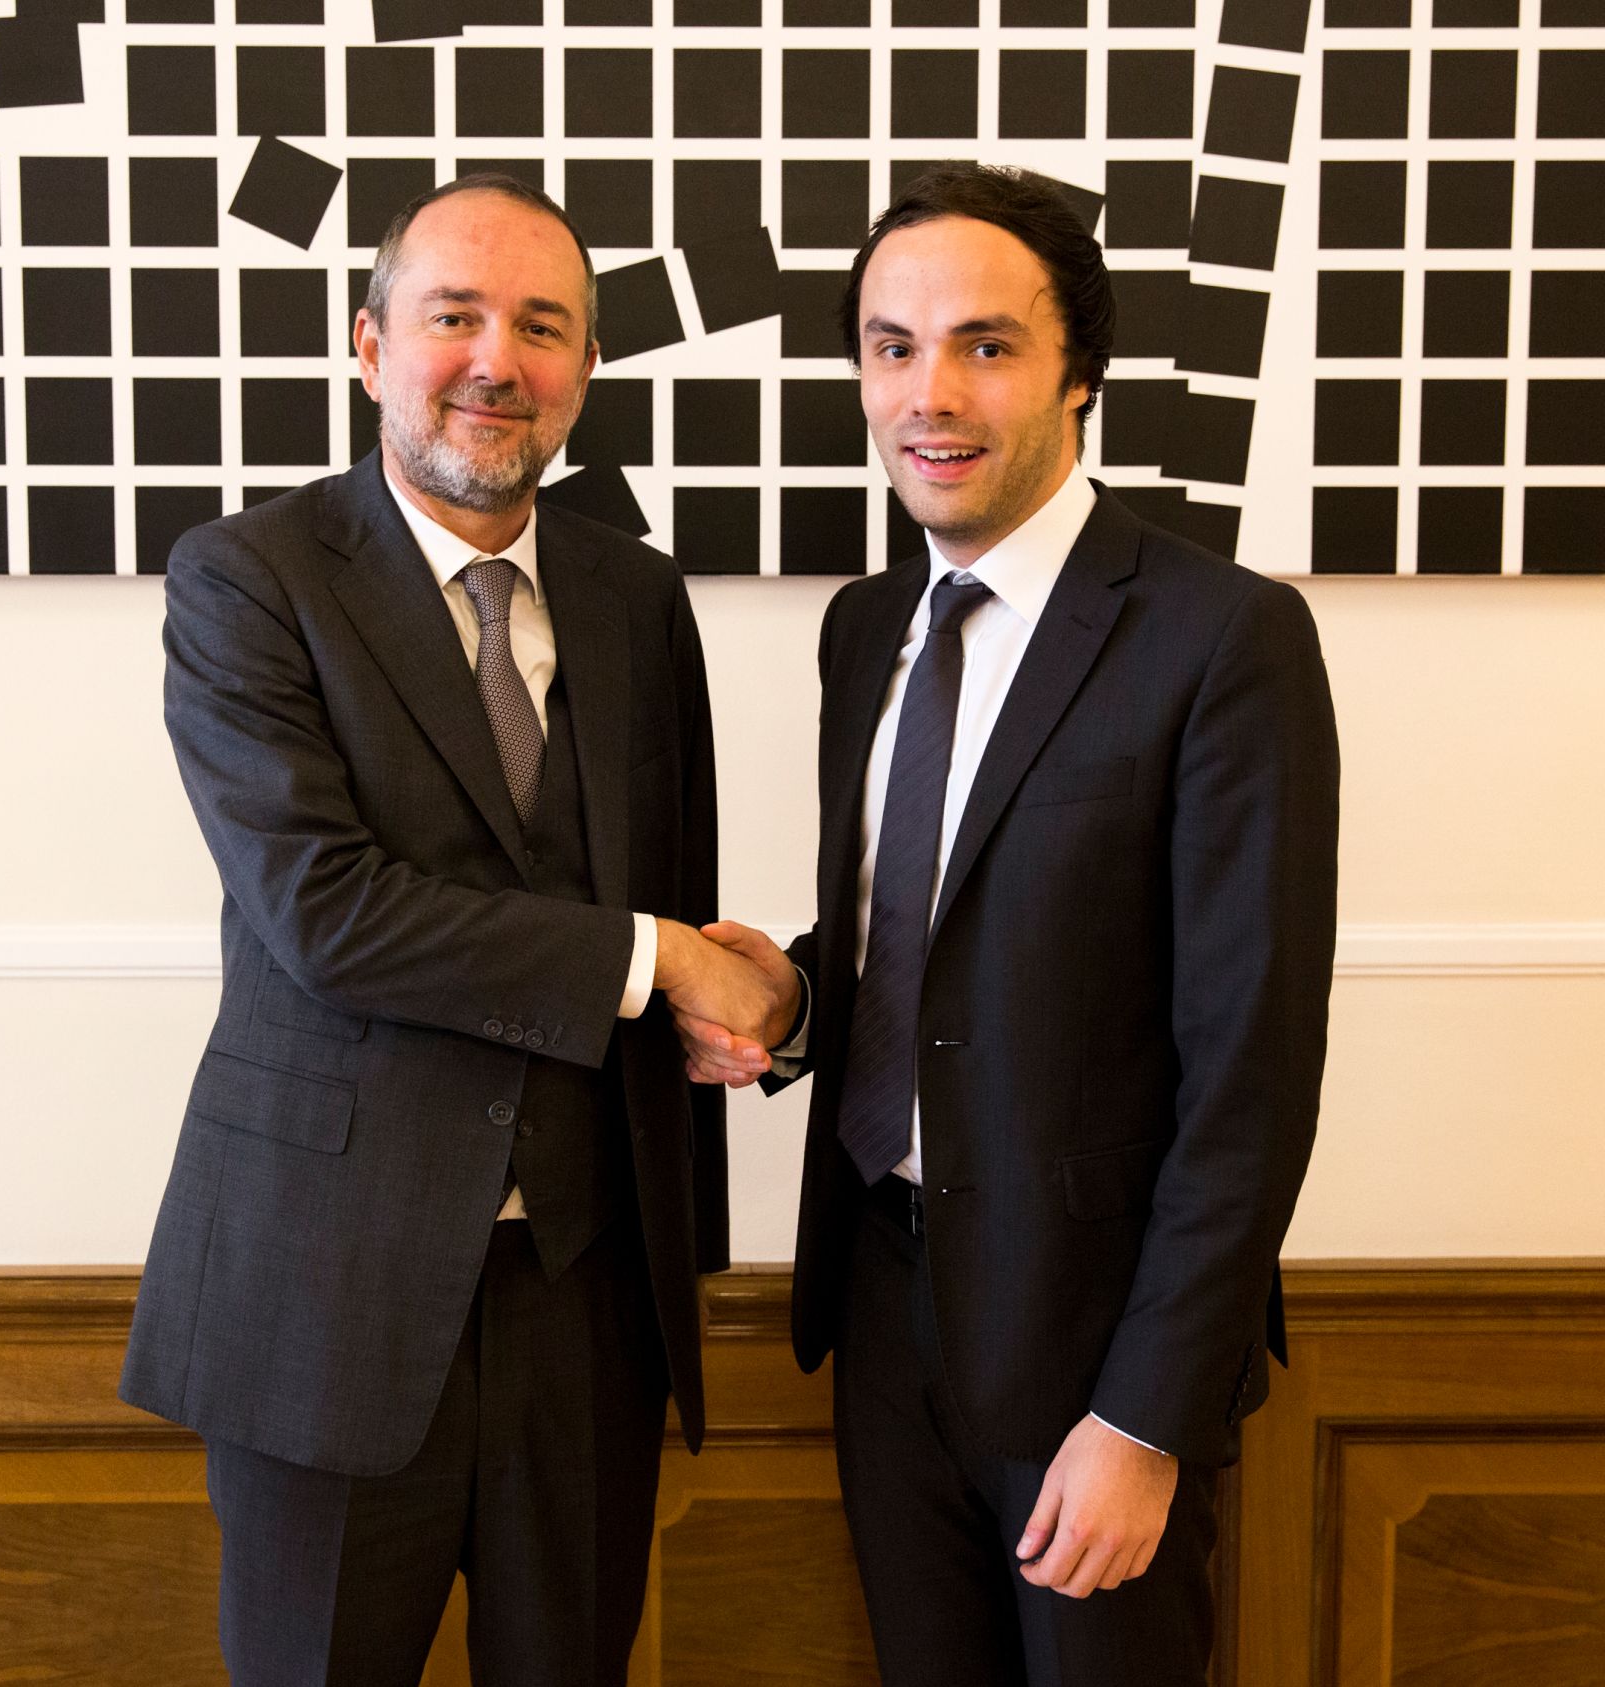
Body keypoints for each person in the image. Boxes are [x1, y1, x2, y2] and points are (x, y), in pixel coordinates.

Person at [119, 174, 787, 1687]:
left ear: (587, 373)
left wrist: (741, 998)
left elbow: (677, 892)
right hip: (328, 1299)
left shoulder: (635, 598)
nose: (499, 358)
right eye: (454, 316)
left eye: (542, 326)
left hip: (590, 1298)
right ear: (369, 347)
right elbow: (326, 916)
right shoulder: (249, 581)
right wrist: (659, 959)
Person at [679, 162, 1340, 1685]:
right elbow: (941, 933)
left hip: (1093, 1353)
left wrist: (1147, 1419)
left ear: (1079, 373)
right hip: (883, 1308)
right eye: (891, 346)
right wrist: (793, 1004)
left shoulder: (1221, 638)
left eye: (986, 344)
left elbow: (1251, 1071)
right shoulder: (869, 628)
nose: (932, 393)